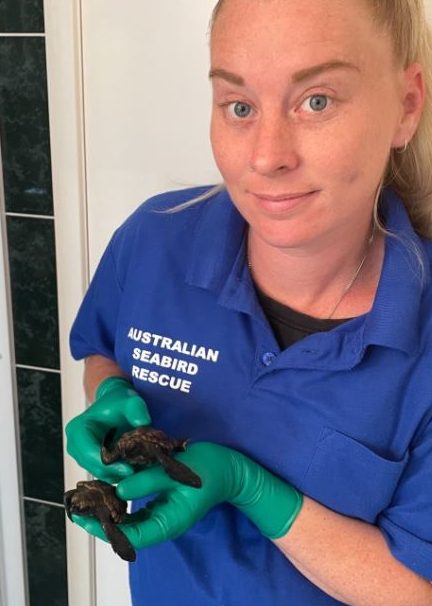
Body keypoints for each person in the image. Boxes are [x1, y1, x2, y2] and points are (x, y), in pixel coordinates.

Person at [65, 0, 432, 604]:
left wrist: (249, 486)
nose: (267, 156)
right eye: (240, 106)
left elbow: (416, 588)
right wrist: (109, 394)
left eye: (316, 101)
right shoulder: (154, 240)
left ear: (407, 105)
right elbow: (105, 346)